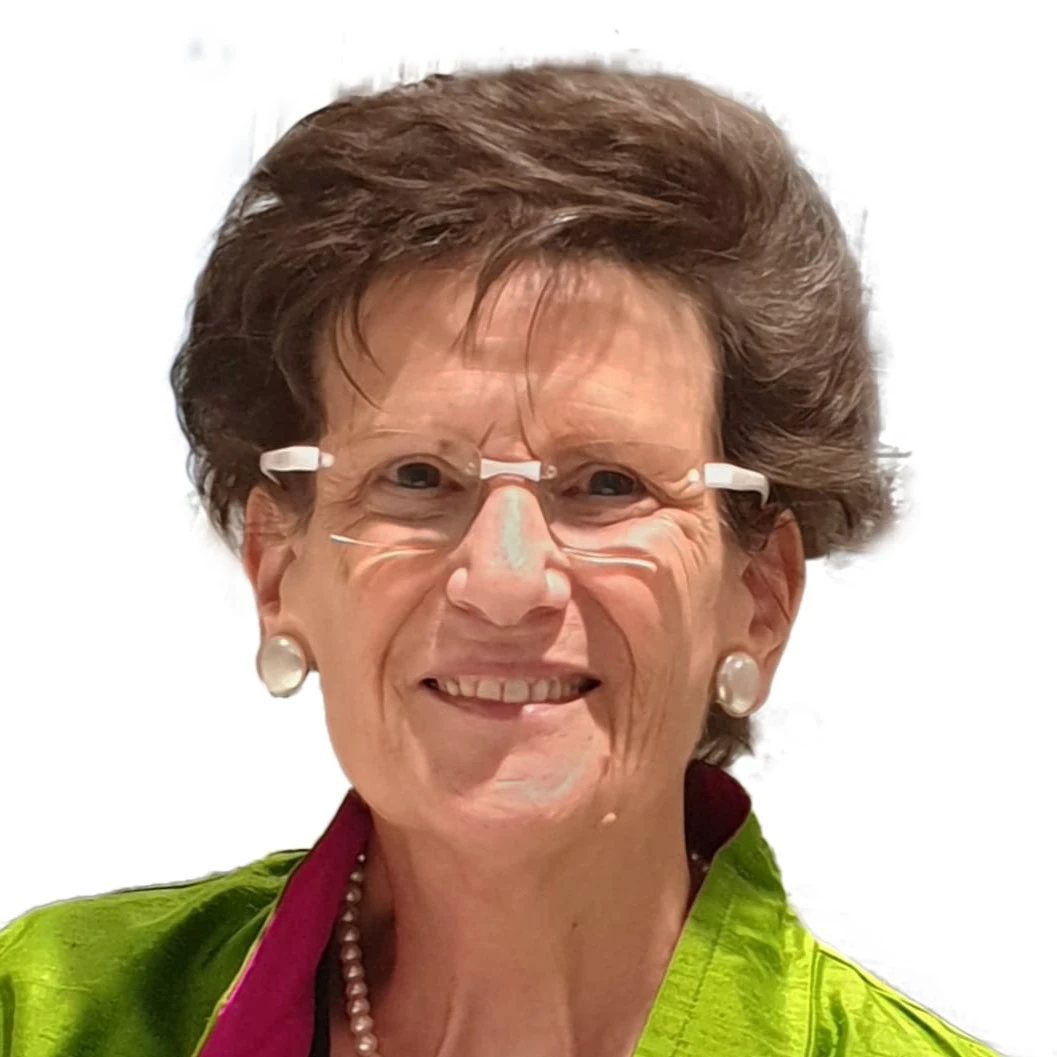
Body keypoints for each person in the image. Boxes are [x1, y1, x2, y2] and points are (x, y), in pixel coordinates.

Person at [0, 61, 1004, 1057]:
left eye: (607, 483)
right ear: (275, 572)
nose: (505, 581)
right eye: (415, 477)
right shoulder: (44, 1016)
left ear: (759, 596)